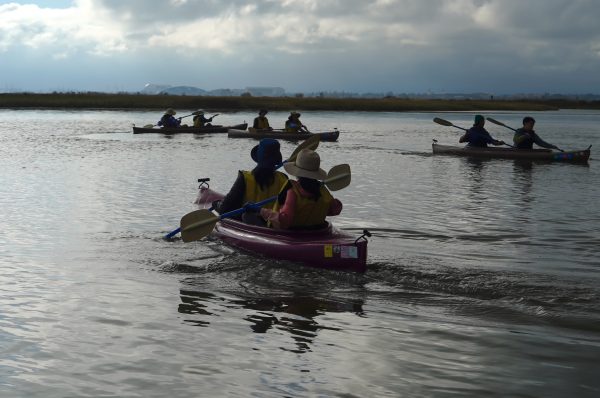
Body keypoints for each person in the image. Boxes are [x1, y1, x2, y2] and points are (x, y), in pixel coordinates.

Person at [260, 149, 342, 230]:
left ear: (297, 173)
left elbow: (285, 221)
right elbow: (335, 210)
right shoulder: (323, 191)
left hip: (291, 236)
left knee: (251, 217)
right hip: (317, 232)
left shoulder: (292, 191)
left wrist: (264, 212)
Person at [216, 138, 288, 225]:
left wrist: (217, 205)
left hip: (251, 224)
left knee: (218, 205)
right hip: (275, 225)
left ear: (258, 157)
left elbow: (225, 209)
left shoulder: (245, 178)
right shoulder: (284, 178)